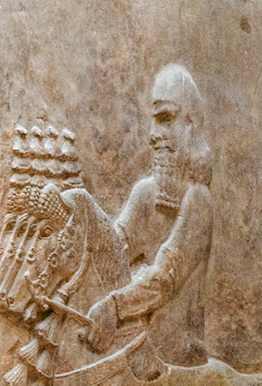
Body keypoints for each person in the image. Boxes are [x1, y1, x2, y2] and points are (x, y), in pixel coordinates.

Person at [85, 63, 214, 366]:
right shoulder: (144, 193)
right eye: (154, 121)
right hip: (133, 352)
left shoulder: (199, 201)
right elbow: (109, 253)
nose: (154, 134)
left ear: (190, 125)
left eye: (166, 119)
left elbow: (163, 279)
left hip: (174, 363)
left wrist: (114, 308)